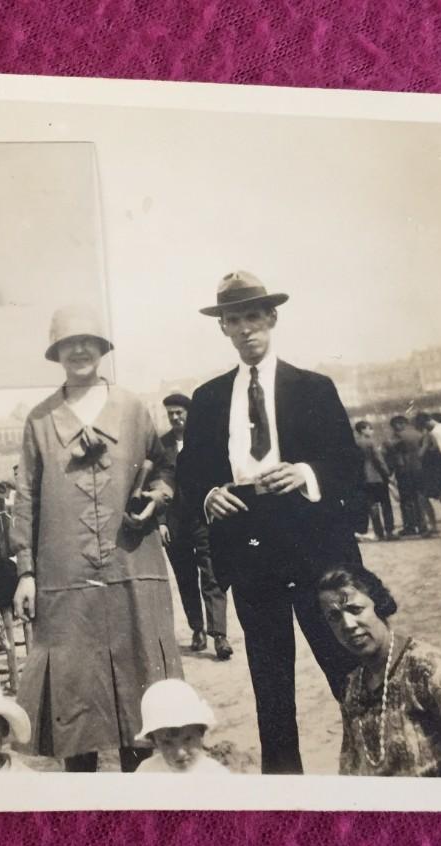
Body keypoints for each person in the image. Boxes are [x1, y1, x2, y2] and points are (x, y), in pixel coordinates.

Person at [178, 271, 363, 775]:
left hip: (314, 547)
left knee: (345, 668)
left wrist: (305, 473)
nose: (245, 330)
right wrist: (210, 495)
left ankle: (372, 772)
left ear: (272, 318)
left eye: (253, 318)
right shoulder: (209, 398)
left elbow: (348, 464)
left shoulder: (314, 387)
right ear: (222, 328)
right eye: (233, 320)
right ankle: (284, 787)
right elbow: (190, 475)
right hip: (250, 551)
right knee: (271, 686)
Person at [11, 304, 182, 774]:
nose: (80, 350)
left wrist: (158, 496)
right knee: (74, 693)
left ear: (103, 348)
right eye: (69, 343)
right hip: (64, 574)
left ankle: (142, 792)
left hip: (132, 564)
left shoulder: (133, 408)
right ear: (56, 352)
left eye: (88, 341)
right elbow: (26, 495)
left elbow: (166, 467)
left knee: (141, 685)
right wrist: (26, 571)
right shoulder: (40, 419)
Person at [316, 565, 441, 777]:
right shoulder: (352, 689)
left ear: (379, 606)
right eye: (334, 617)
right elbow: (349, 771)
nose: (347, 624)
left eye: (355, 610)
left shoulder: (426, 668)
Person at [159, 393, 231, 659]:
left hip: (203, 519)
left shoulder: (204, 440)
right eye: (171, 414)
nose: (175, 417)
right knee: (185, 577)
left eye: (179, 412)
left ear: (189, 413)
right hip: (175, 522)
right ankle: (197, 629)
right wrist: (161, 522)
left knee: (212, 574)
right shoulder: (161, 446)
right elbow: (157, 484)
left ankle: (219, 635)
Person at [134, 679, 232, 775]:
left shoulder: (215, 774)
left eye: (187, 739)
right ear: (154, 741)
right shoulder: (147, 771)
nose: (180, 753)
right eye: (167, 743)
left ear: (201, 733)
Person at [386, 415, 429, 536]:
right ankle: (423, 525)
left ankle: (410, 527)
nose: (393, 429)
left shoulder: (396, 437)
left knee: (406, 500)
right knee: (420, 498)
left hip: (404, 471)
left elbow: (390, 451)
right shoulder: (418, 434)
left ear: (399, 424)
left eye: (393, 426)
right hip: (419, 469)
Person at [354, 421, 395, 541]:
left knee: (372, 506)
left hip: (363, 479)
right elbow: (379, 461)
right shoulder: (370, 443)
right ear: (363, 430)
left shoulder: (354, 443)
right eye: (370, 428)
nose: (372, 431)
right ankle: (389, 531)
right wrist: (387, 474)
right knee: (385, 504)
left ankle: (379, 533)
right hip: (377, 477)